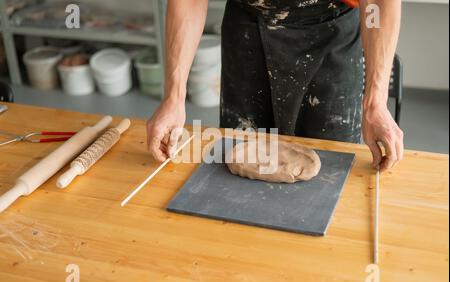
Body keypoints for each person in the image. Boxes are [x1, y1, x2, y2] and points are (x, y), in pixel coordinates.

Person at [146, 0, 404, 172]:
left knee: (330, 171)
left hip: (331, 34)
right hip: (248, 30)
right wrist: (174, 96)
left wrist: (375, 103)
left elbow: (376, 6)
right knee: (239, 163)